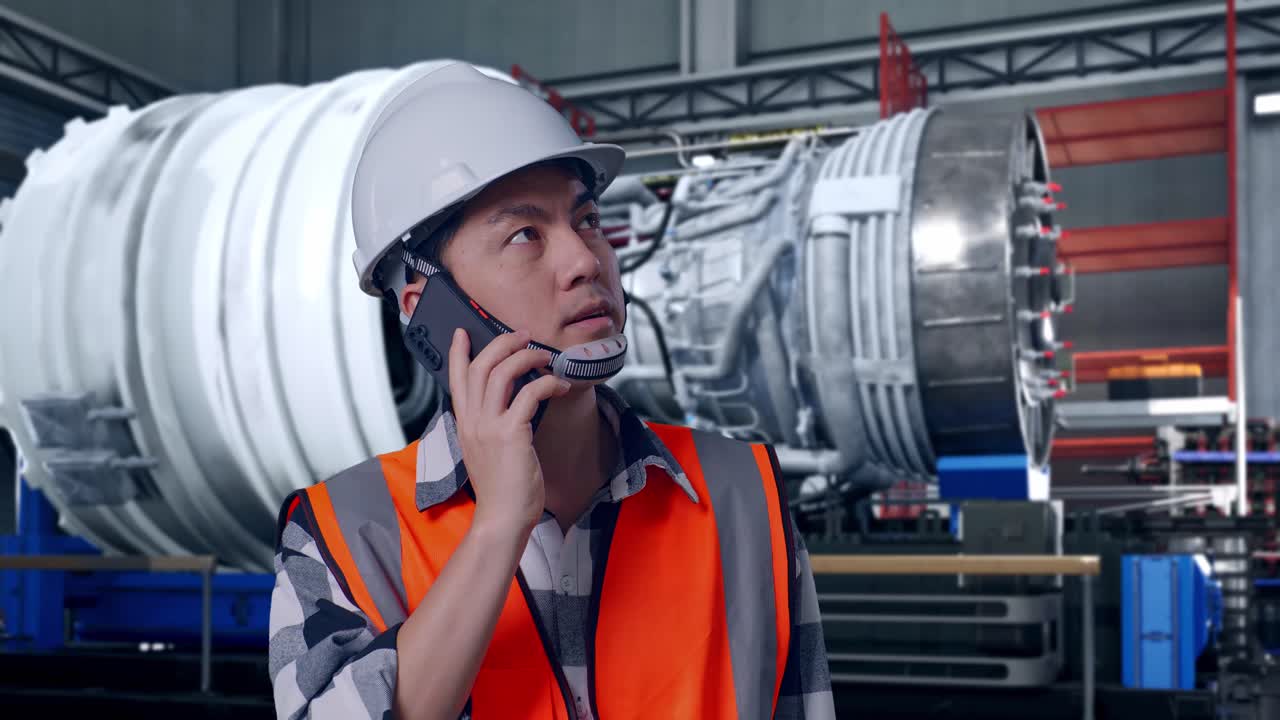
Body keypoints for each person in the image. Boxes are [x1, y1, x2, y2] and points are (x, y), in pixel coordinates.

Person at [268, 62, 835, 720]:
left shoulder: (746, 496)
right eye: (525, 235)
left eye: (586, 219)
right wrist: (498, 527)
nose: (586, 260)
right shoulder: (339, 532)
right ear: (429, 311)